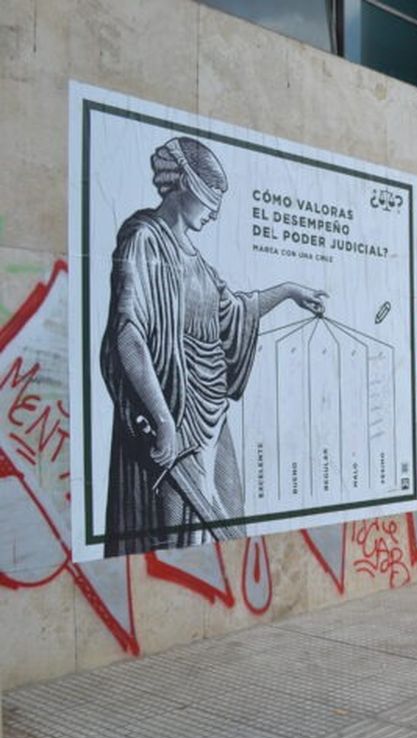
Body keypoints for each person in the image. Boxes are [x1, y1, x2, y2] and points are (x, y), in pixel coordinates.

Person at [101, 137, 327, 556]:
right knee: (170, 538)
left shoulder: (200, 264)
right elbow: (128, 333)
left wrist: (291, 290)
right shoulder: (143, 239)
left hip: (210, 418)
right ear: (184, 185)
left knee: (227, 518)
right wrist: (163, 418)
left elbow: (238, 312)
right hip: (168, 413)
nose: (216, 212)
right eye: (210, 199)